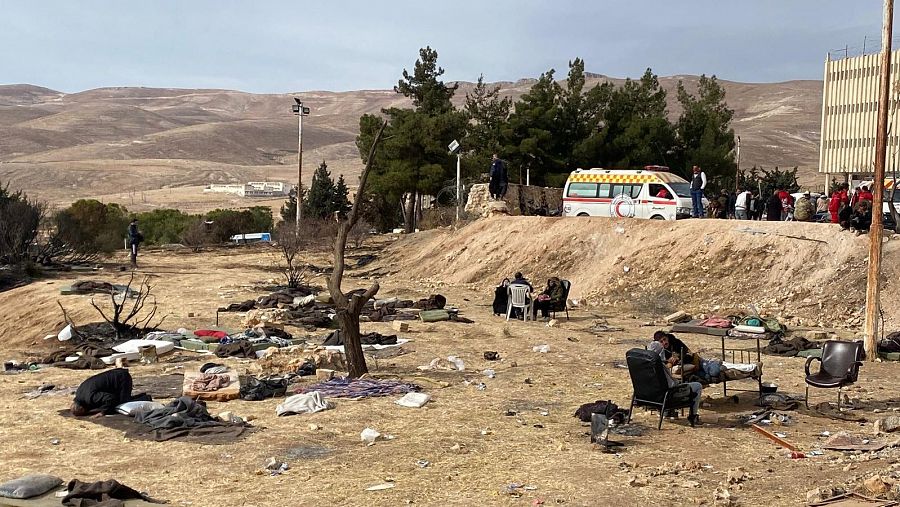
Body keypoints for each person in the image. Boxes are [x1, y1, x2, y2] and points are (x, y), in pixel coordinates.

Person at [647, 340, 703, 427]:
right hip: (666, 397)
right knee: (697, 386)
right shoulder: (659, 366)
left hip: (647, 396)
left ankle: (666, 412)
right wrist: (677, 381)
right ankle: (693, 416)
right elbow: (671, 385)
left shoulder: (642, 365)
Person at [71, 368, 149, 417]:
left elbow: (110, 398)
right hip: (116, 375)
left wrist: (103, 412)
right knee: (120, 400)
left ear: (82, 408)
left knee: (123, 403)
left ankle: (146, 398)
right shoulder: (79, 394)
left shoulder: (90, 398)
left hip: (121, 379)